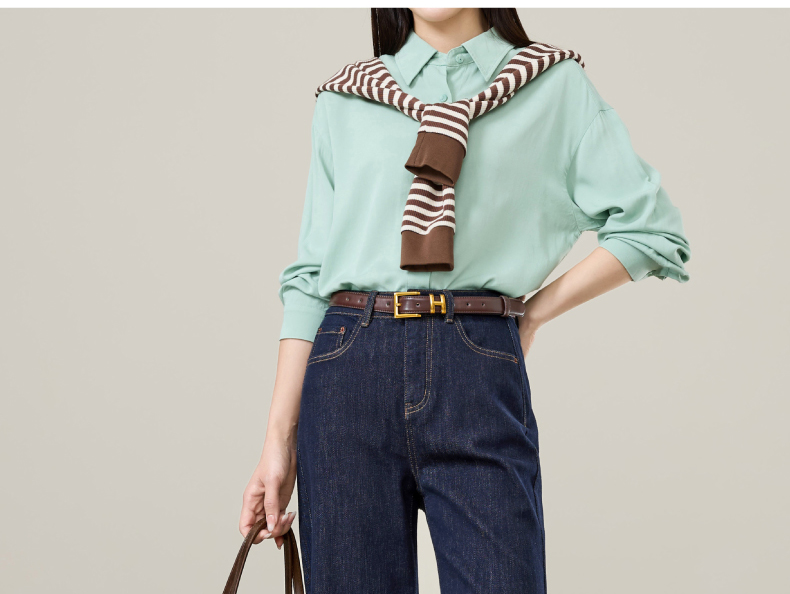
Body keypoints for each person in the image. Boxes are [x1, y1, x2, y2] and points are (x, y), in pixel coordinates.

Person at [239, 7, 691, 593]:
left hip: (477, 365)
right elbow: (309, 278)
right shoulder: (345, 98)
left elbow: (651, 229)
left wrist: (534, 313)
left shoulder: (553, 84)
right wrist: (278, 442)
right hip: (348, 369)